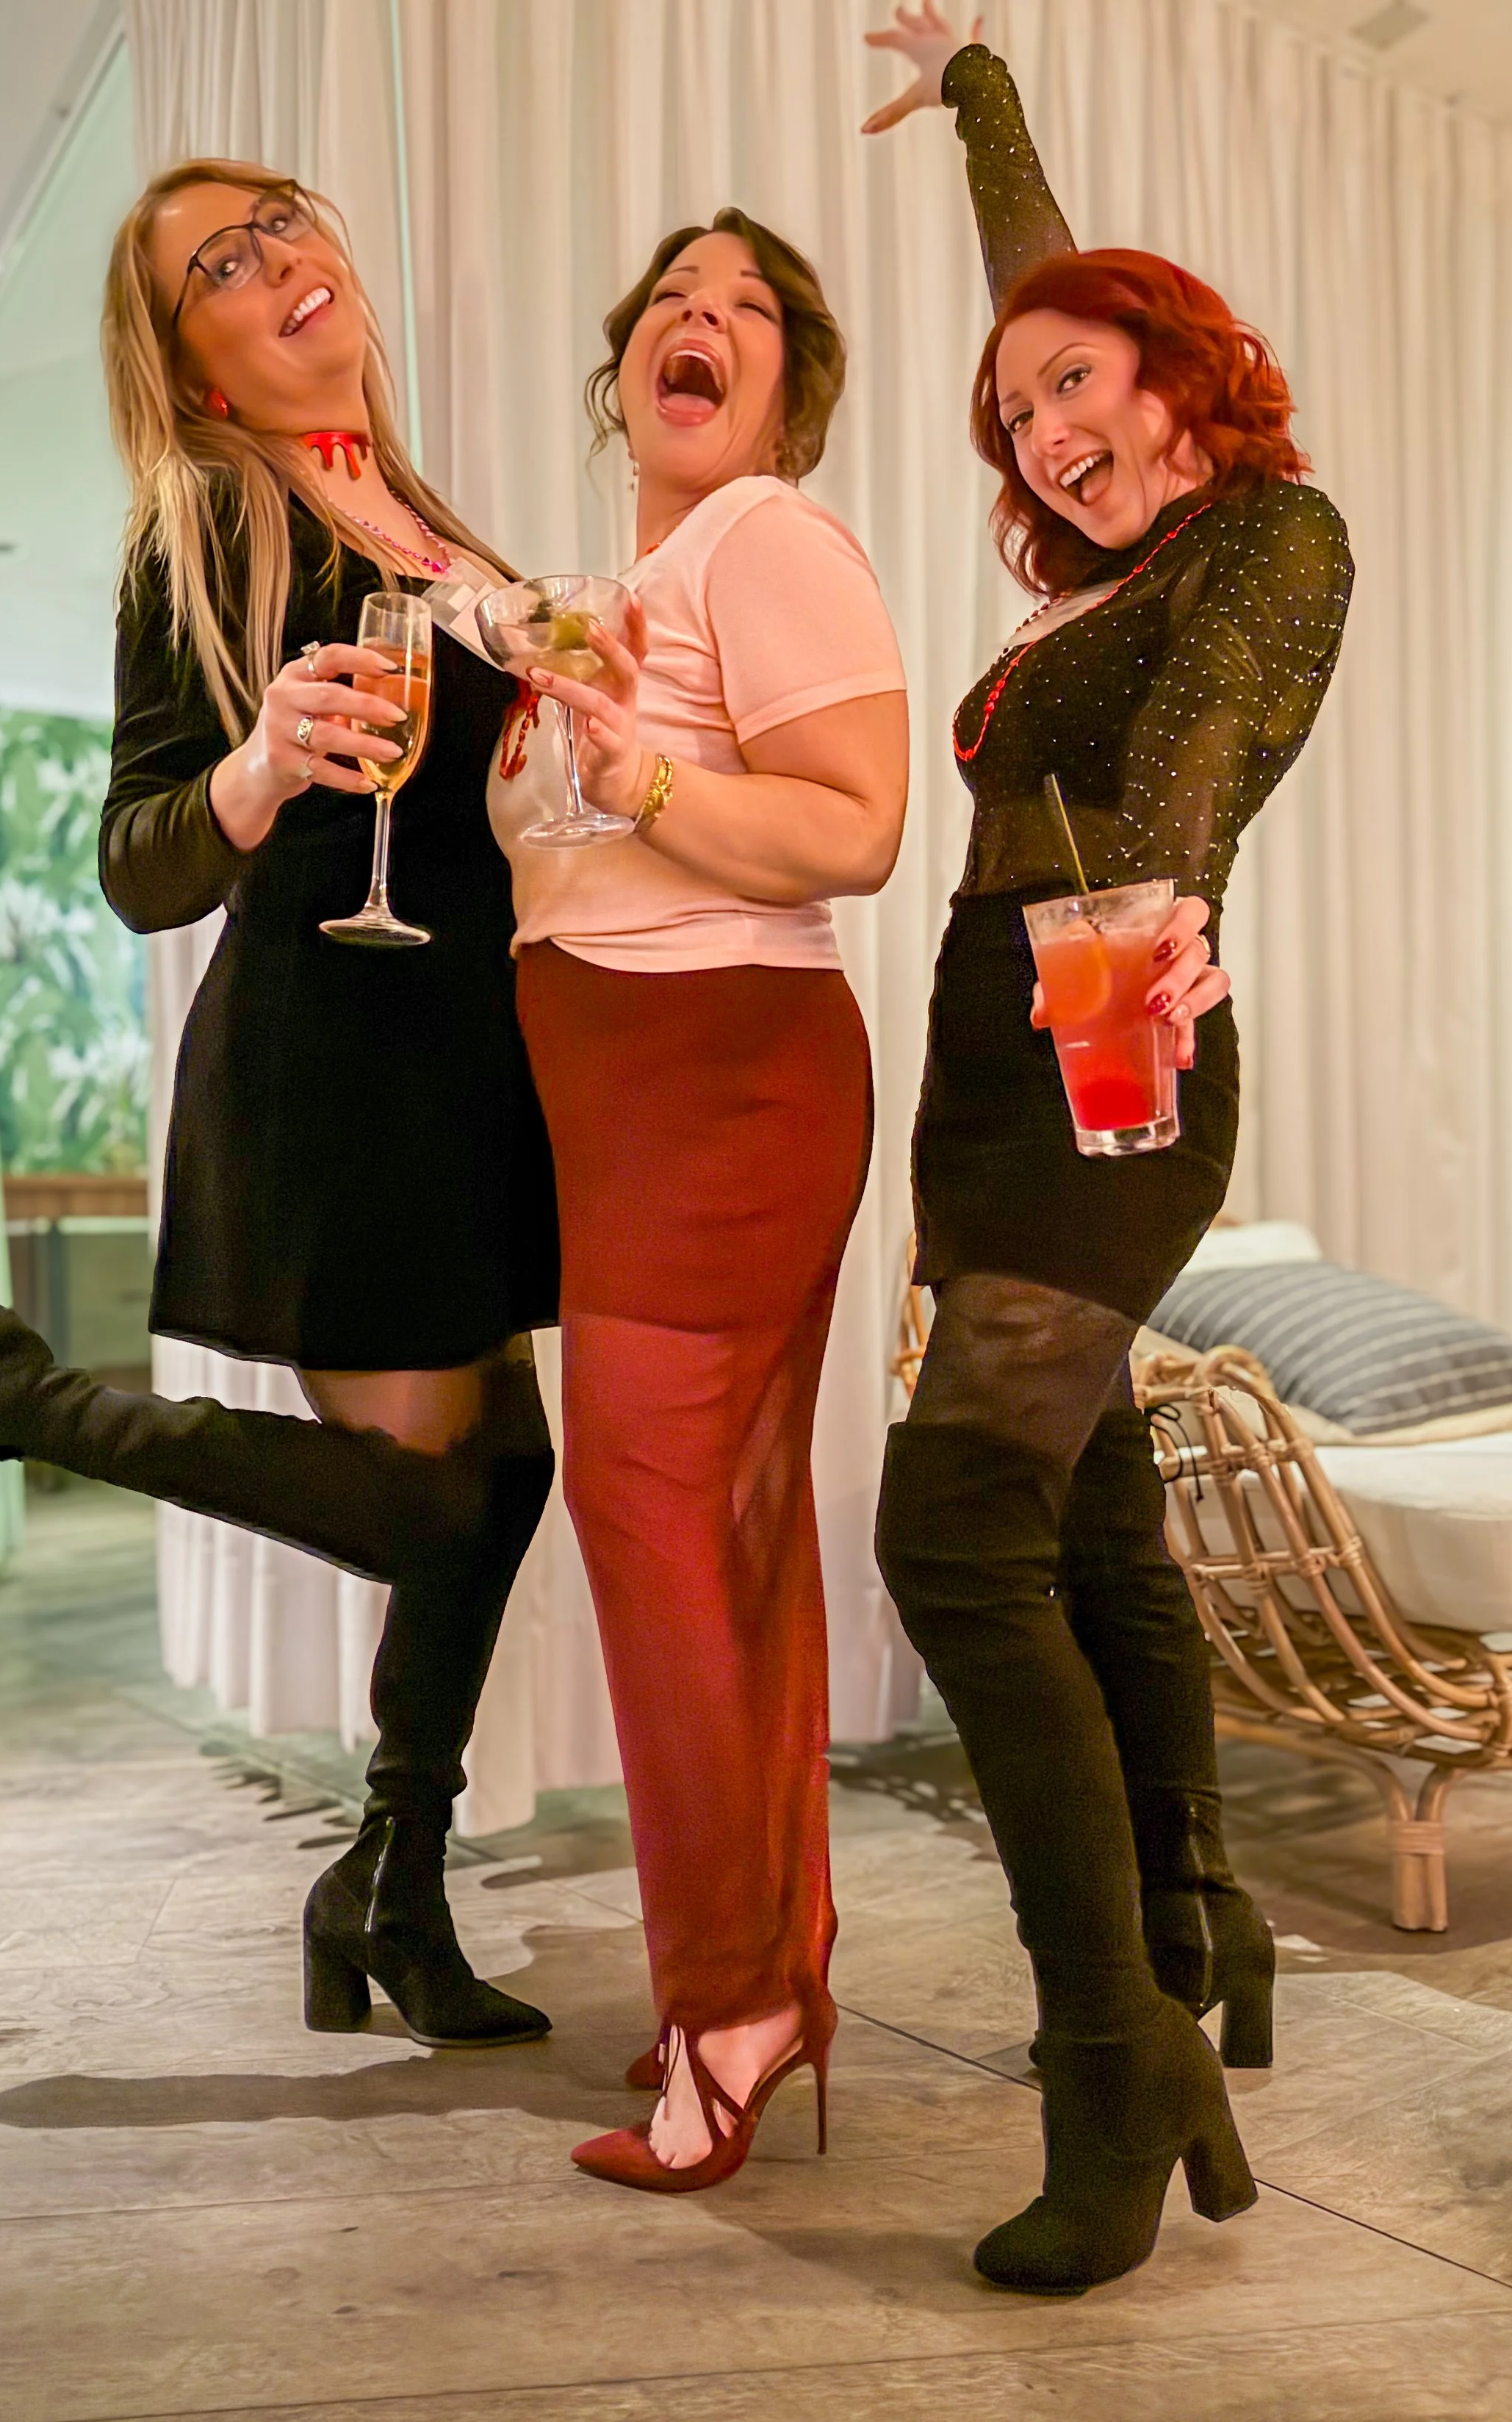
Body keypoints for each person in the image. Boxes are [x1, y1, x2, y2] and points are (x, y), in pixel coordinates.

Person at [0, 164, 561, 2054]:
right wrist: (251, 770)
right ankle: (22, 1396)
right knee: (427, 1510)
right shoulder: (202, 525)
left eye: (285, 222)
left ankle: (385, 1885)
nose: (279, 261)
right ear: (192, 365)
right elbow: (135, 859)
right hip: (336, 1065)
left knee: (508, 1477)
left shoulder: (419, 511)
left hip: (469, 1057)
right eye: (218, 265)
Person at [863, 15, 1353, 2293]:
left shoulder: (1263, 538)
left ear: (1178, 373)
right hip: (986, 1063)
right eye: (1016, 413)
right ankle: (1191, 1917)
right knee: (1090, 1518)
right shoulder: (1095, 554)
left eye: (1080, 386)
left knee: (952, 1529)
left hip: (1102, 1044)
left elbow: (1184, 763)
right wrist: (975, 84)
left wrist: (1154, 927)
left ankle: (1109, 2050)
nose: (1046, 433)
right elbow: (1039, 269)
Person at [484, 209, 904, 2193]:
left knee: (660, 1520)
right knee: (700, 1532)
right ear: (619, 365)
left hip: (722, 1079)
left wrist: (633, 779)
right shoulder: (622, 590)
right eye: (667, 296)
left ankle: (737, 1993)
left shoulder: (765, 540)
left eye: (742, 307)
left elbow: (856, 828)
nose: (696, 317)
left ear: (785, 390)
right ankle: (749, 1979)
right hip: (619, 1094)